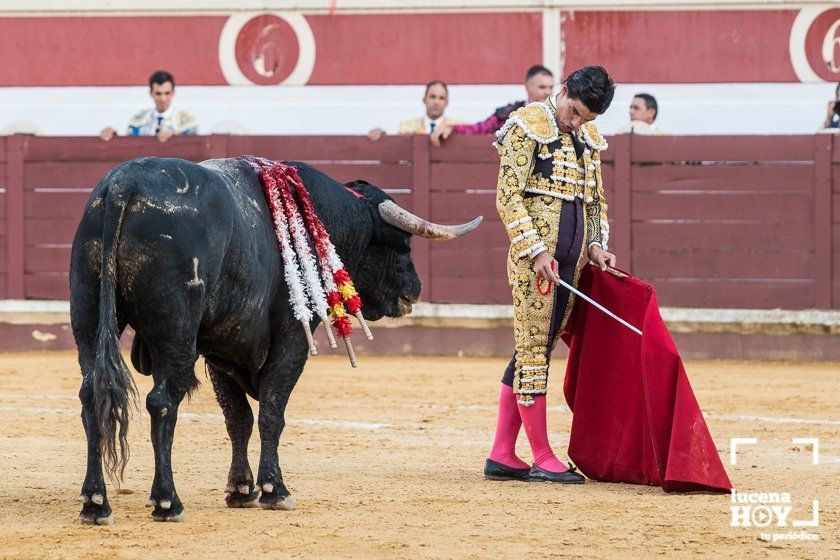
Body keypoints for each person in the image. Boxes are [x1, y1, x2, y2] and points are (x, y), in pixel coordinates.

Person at [484, 65, 616, 484]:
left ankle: (502, 453)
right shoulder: (526, 125)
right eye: (574, 111)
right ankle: (541, 455)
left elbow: (595, 204)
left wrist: (596, 246)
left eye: (586, 119)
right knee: (533, 350)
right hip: (534, 261)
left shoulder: (588, 138)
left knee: (533, 350)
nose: (576, 122)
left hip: (572, 264)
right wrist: (536, 249)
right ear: (563, 91)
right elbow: (508, 197)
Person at [430, 65, 554, 146]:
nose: (548, 92)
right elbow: (479, 129)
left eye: (550, 87)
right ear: (527, 87)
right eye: (542, 87)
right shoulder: (507, 114)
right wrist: (453, 128)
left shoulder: (557, 115)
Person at [100, 70, 199, 143]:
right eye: (158, 93)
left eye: (167, 93)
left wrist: (176, 136)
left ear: (172, 93)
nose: (163, 98)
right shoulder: (139, 119)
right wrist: (114, 135)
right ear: (151, 93)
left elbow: (194, 143)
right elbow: (129, 143)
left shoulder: (186, 120)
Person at [367, 80, 463, 141]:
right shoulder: (406, 126)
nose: (436, 102)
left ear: (446, 103)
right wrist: (383, 138)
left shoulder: (458, 126)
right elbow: (395, 152)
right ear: (424, 100)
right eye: (432, 97)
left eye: (441, 98)